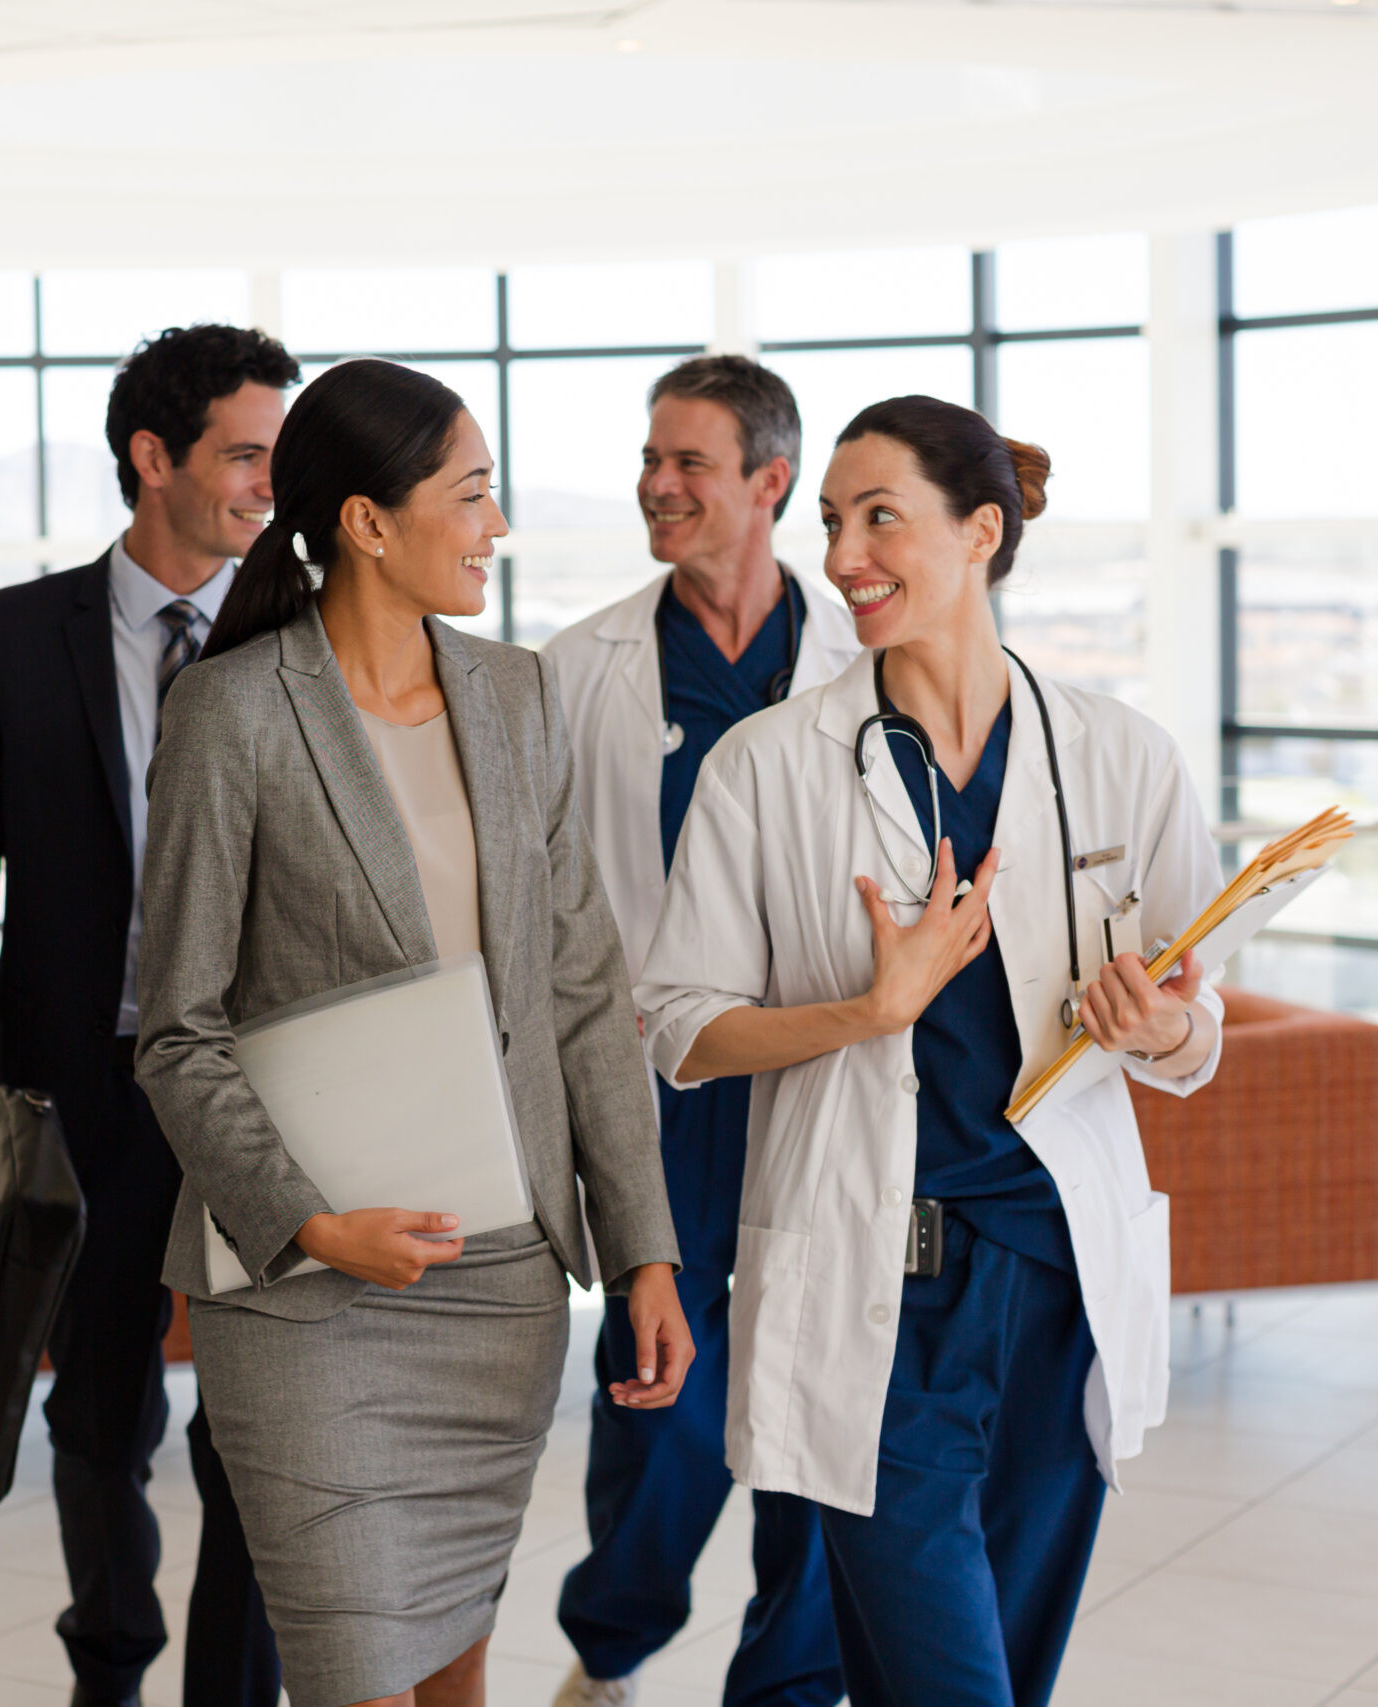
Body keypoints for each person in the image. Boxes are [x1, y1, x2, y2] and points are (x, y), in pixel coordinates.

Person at [635, 396, 1225, 1707]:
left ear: (980, 533)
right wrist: (867, 1009)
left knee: (1005, 1665)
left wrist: (1163, 1025)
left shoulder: (1121, 755)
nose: (843, 556)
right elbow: (678, 1024)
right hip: (874, 1285)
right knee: (952, 1678)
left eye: (879, 518)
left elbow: (1199, 1021)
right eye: (832, 522)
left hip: (1056, 1281)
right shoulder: (767, 766)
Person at [135, 358, 694, 1707]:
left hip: (498, 1287)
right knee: (357, 1674)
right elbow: (177, 1030)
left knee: (452, 1667)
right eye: (473, 494)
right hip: (309, 1296)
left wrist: (645, 1249)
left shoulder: (515, 694)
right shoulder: (231, 711)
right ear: (368, 523)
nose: (496, 525)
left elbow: (580, 990)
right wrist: (313, 1224)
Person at [0, 323, 297, 1707]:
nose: (269, 484)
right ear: (153, 457)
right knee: (97, 1415)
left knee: (252, 1432)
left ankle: (232, 1691)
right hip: (82, 1097)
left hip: (254, 1095)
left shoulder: (298, 630)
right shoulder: (12, 639)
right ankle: (110, 1668)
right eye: (245, 454)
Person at [542, 355, 858, 1707]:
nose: (656, 486)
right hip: (661, 1088)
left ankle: (789, 1681)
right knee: (655, 1394)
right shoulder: (580, 669)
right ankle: (610, 1645)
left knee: (815, 1389)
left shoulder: (864, 659)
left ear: (769, 482)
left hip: (819, 1077)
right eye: (649, 459)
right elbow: (540, 896)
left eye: (689, 464)